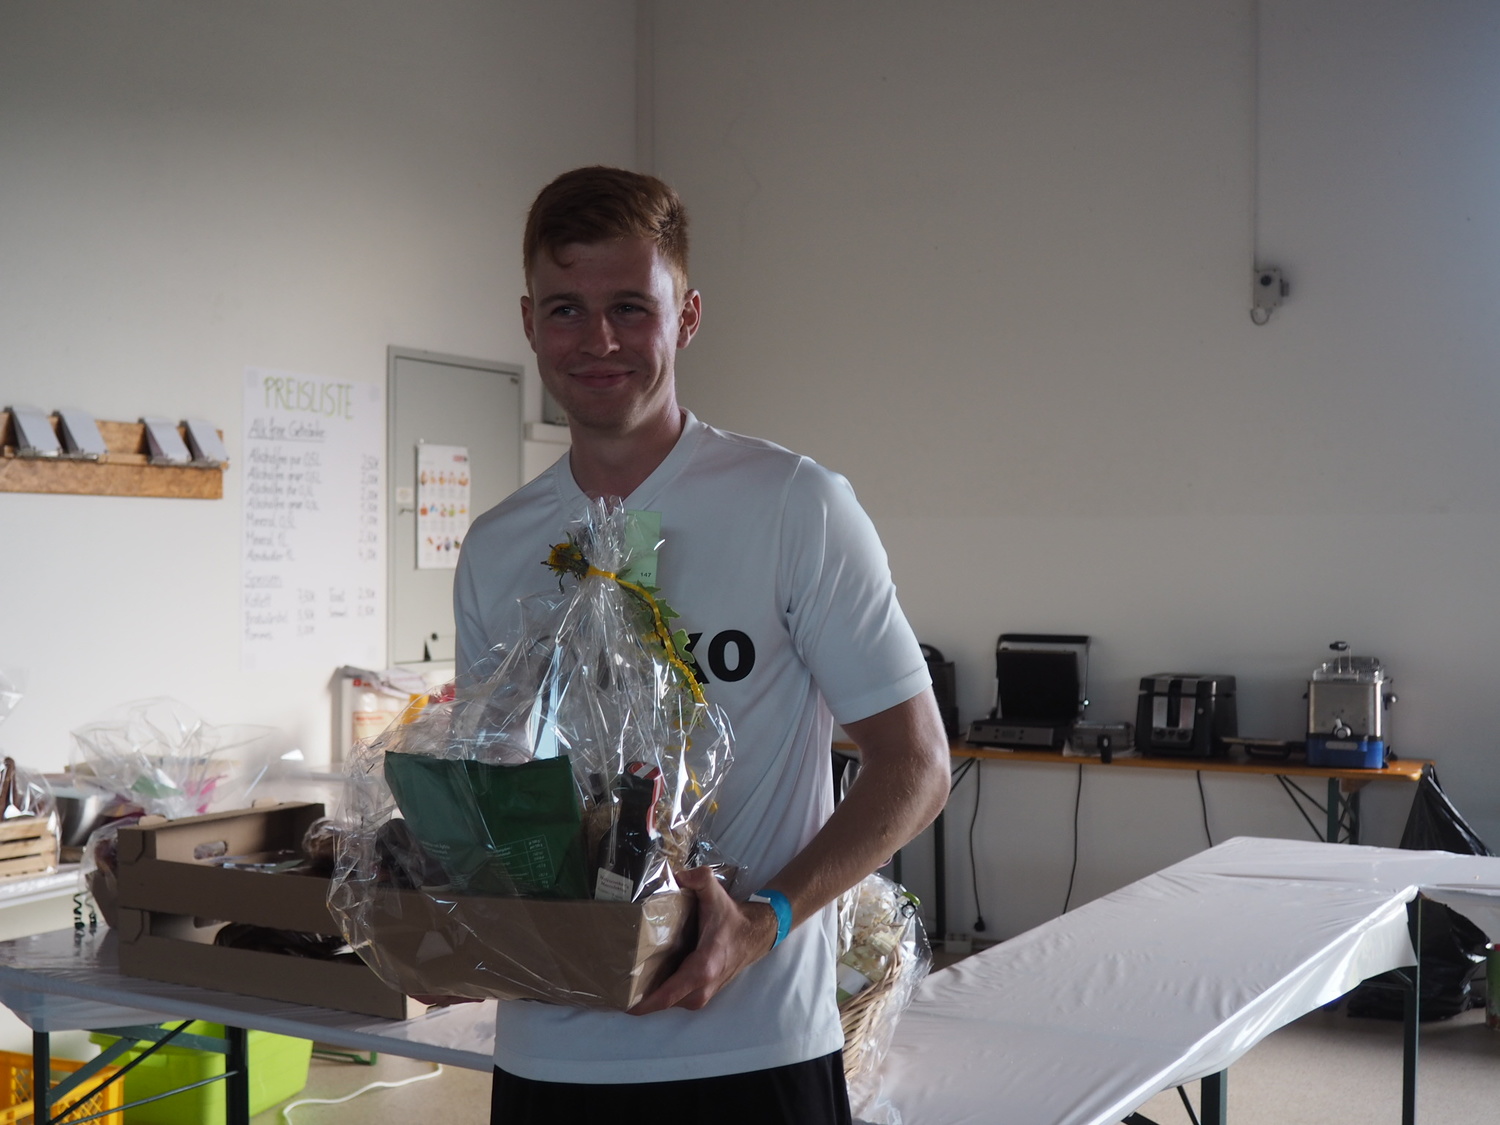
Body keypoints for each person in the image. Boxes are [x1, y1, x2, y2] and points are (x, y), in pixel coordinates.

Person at [453, 165, 951, 1124]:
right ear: (528, 323)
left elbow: (918, 765)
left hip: (753, 1049)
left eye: (630, 308)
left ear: (685, 318)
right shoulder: (498, 547)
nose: (598, 340)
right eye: (566, 309)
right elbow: (499, 786)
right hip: (551, 1055)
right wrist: (456, 916)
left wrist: (765, 920)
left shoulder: (793, 506)